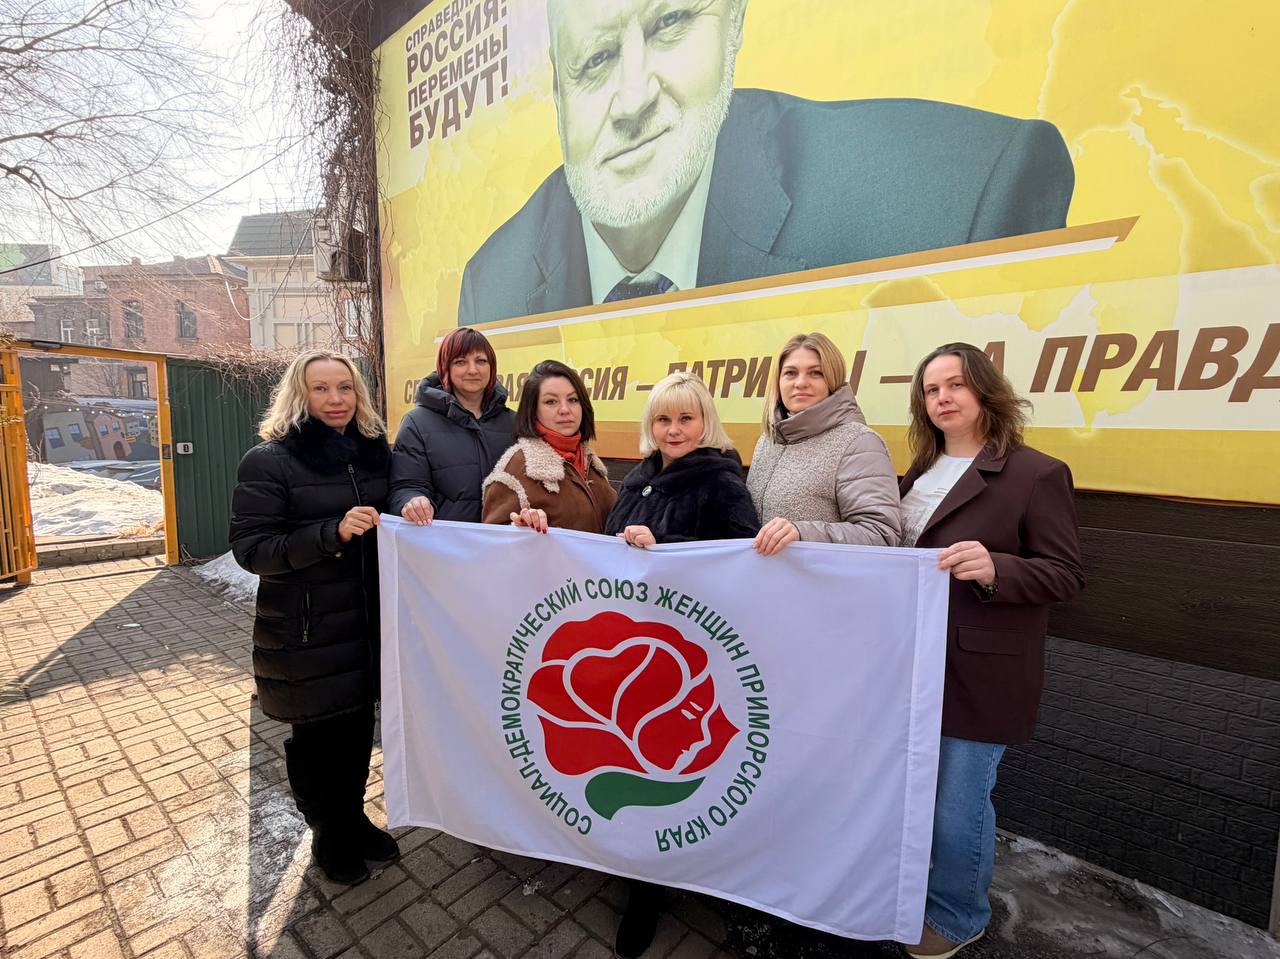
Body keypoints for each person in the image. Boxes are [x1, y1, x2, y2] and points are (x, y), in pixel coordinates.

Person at [457, 0, 1075, 325]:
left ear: (733, 24)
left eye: (670, 22)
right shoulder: (494, 284)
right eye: (596, 59)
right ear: (558, 94)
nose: (633, 97)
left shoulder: (962, 198)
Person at [898, 343, 1084, 958]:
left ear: (985, 391)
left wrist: (997, 567)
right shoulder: (918, 472)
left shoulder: (1037, 473)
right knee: (915, 795)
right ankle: (914, 894)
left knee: (958, 806)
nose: (943, 398)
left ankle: (958, 916)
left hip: (979, 670)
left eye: (955, 385)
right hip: (912, 662)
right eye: (931, 390)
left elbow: (1065, 575)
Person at [602, 371, 759, 958]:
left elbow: (742, 561)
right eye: (663, 419)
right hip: (632, 646)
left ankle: (648, 893)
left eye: (686, 418)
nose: (674, 429)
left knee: (665, 772)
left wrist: (664, 551)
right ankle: (630, 864)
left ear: (705, 422)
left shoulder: (721, 482)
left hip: (687, 658)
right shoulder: (638, 476)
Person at [229, 350, 398, 886]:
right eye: (320, 388)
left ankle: (354, 818)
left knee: (357, 731)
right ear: (299, 395)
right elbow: (251, 549)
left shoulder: (374, 453)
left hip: (365, 623)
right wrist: (332, 533)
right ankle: (328, 833)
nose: (335, 399)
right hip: (307, 630)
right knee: (316, 739)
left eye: (344, 387)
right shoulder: (270, 460)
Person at [747, 332, 901, 554]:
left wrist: (802, 533)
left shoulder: (859, 443)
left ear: (833, 380)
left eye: (816, 373)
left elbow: (882, 534)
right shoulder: (767, 440)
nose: (801, 383)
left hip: (820, 577)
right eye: (790, 373)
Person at [388, 327, 516, 524]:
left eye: (481, 361)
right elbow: (405, 486)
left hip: (506, 540)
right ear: (445, 368)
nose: (472, 370)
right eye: (460, 362)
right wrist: (413, 501)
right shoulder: (417, 423)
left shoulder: (514, 422)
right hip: (447, 541)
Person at [481, 359, 617, 532]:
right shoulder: (515, 470)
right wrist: (520, 528)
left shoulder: (590, 462)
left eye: (573, 399)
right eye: (551, 402)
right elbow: (493, 540)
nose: (565, 409)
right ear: (533, 409)